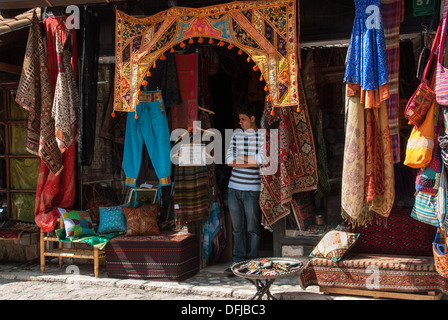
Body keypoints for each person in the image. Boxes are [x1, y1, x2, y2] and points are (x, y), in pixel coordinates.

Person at [224, 104, 265, 276]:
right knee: (237, 229)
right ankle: (237, 263)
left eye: (243, 119)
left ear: (253, 119)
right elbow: (228, 160)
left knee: (253, 228)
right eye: (239, 119)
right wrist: (250, 160)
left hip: (252, 190)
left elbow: (262, 159)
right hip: (234, 188)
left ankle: (253, 263)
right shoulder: (236, 135)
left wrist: (240, 158)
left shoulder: (263, 135)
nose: (240, 122)